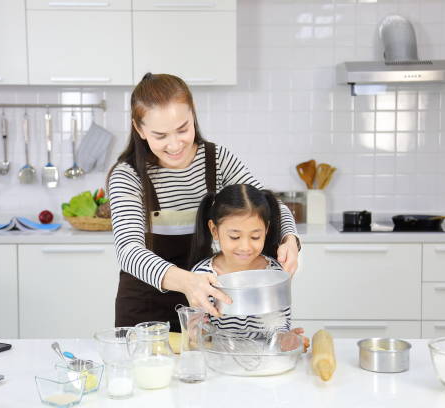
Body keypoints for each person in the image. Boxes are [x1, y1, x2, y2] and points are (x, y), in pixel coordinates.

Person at [108, 73, 300, 331]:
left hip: (207, 309)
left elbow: (269, 206)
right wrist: (187, 282)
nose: (175, 144)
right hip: (145, 309)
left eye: (183, 129)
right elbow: (129, 252)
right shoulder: (128, 176)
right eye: (160, 135)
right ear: (139, 129)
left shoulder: (217, 160)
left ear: (193, 114)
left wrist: (290, 240)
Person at [189, 184, 309, 351]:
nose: (245, 246)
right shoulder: (202, 276)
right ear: (214, 230)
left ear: (266, 230)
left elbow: (278, 328)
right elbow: (202, 335)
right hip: (220, 362)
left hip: (264, 363)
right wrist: (196, 332)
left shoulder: (274, 273)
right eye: (235, 236)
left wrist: (285, 339)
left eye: (255, 236)